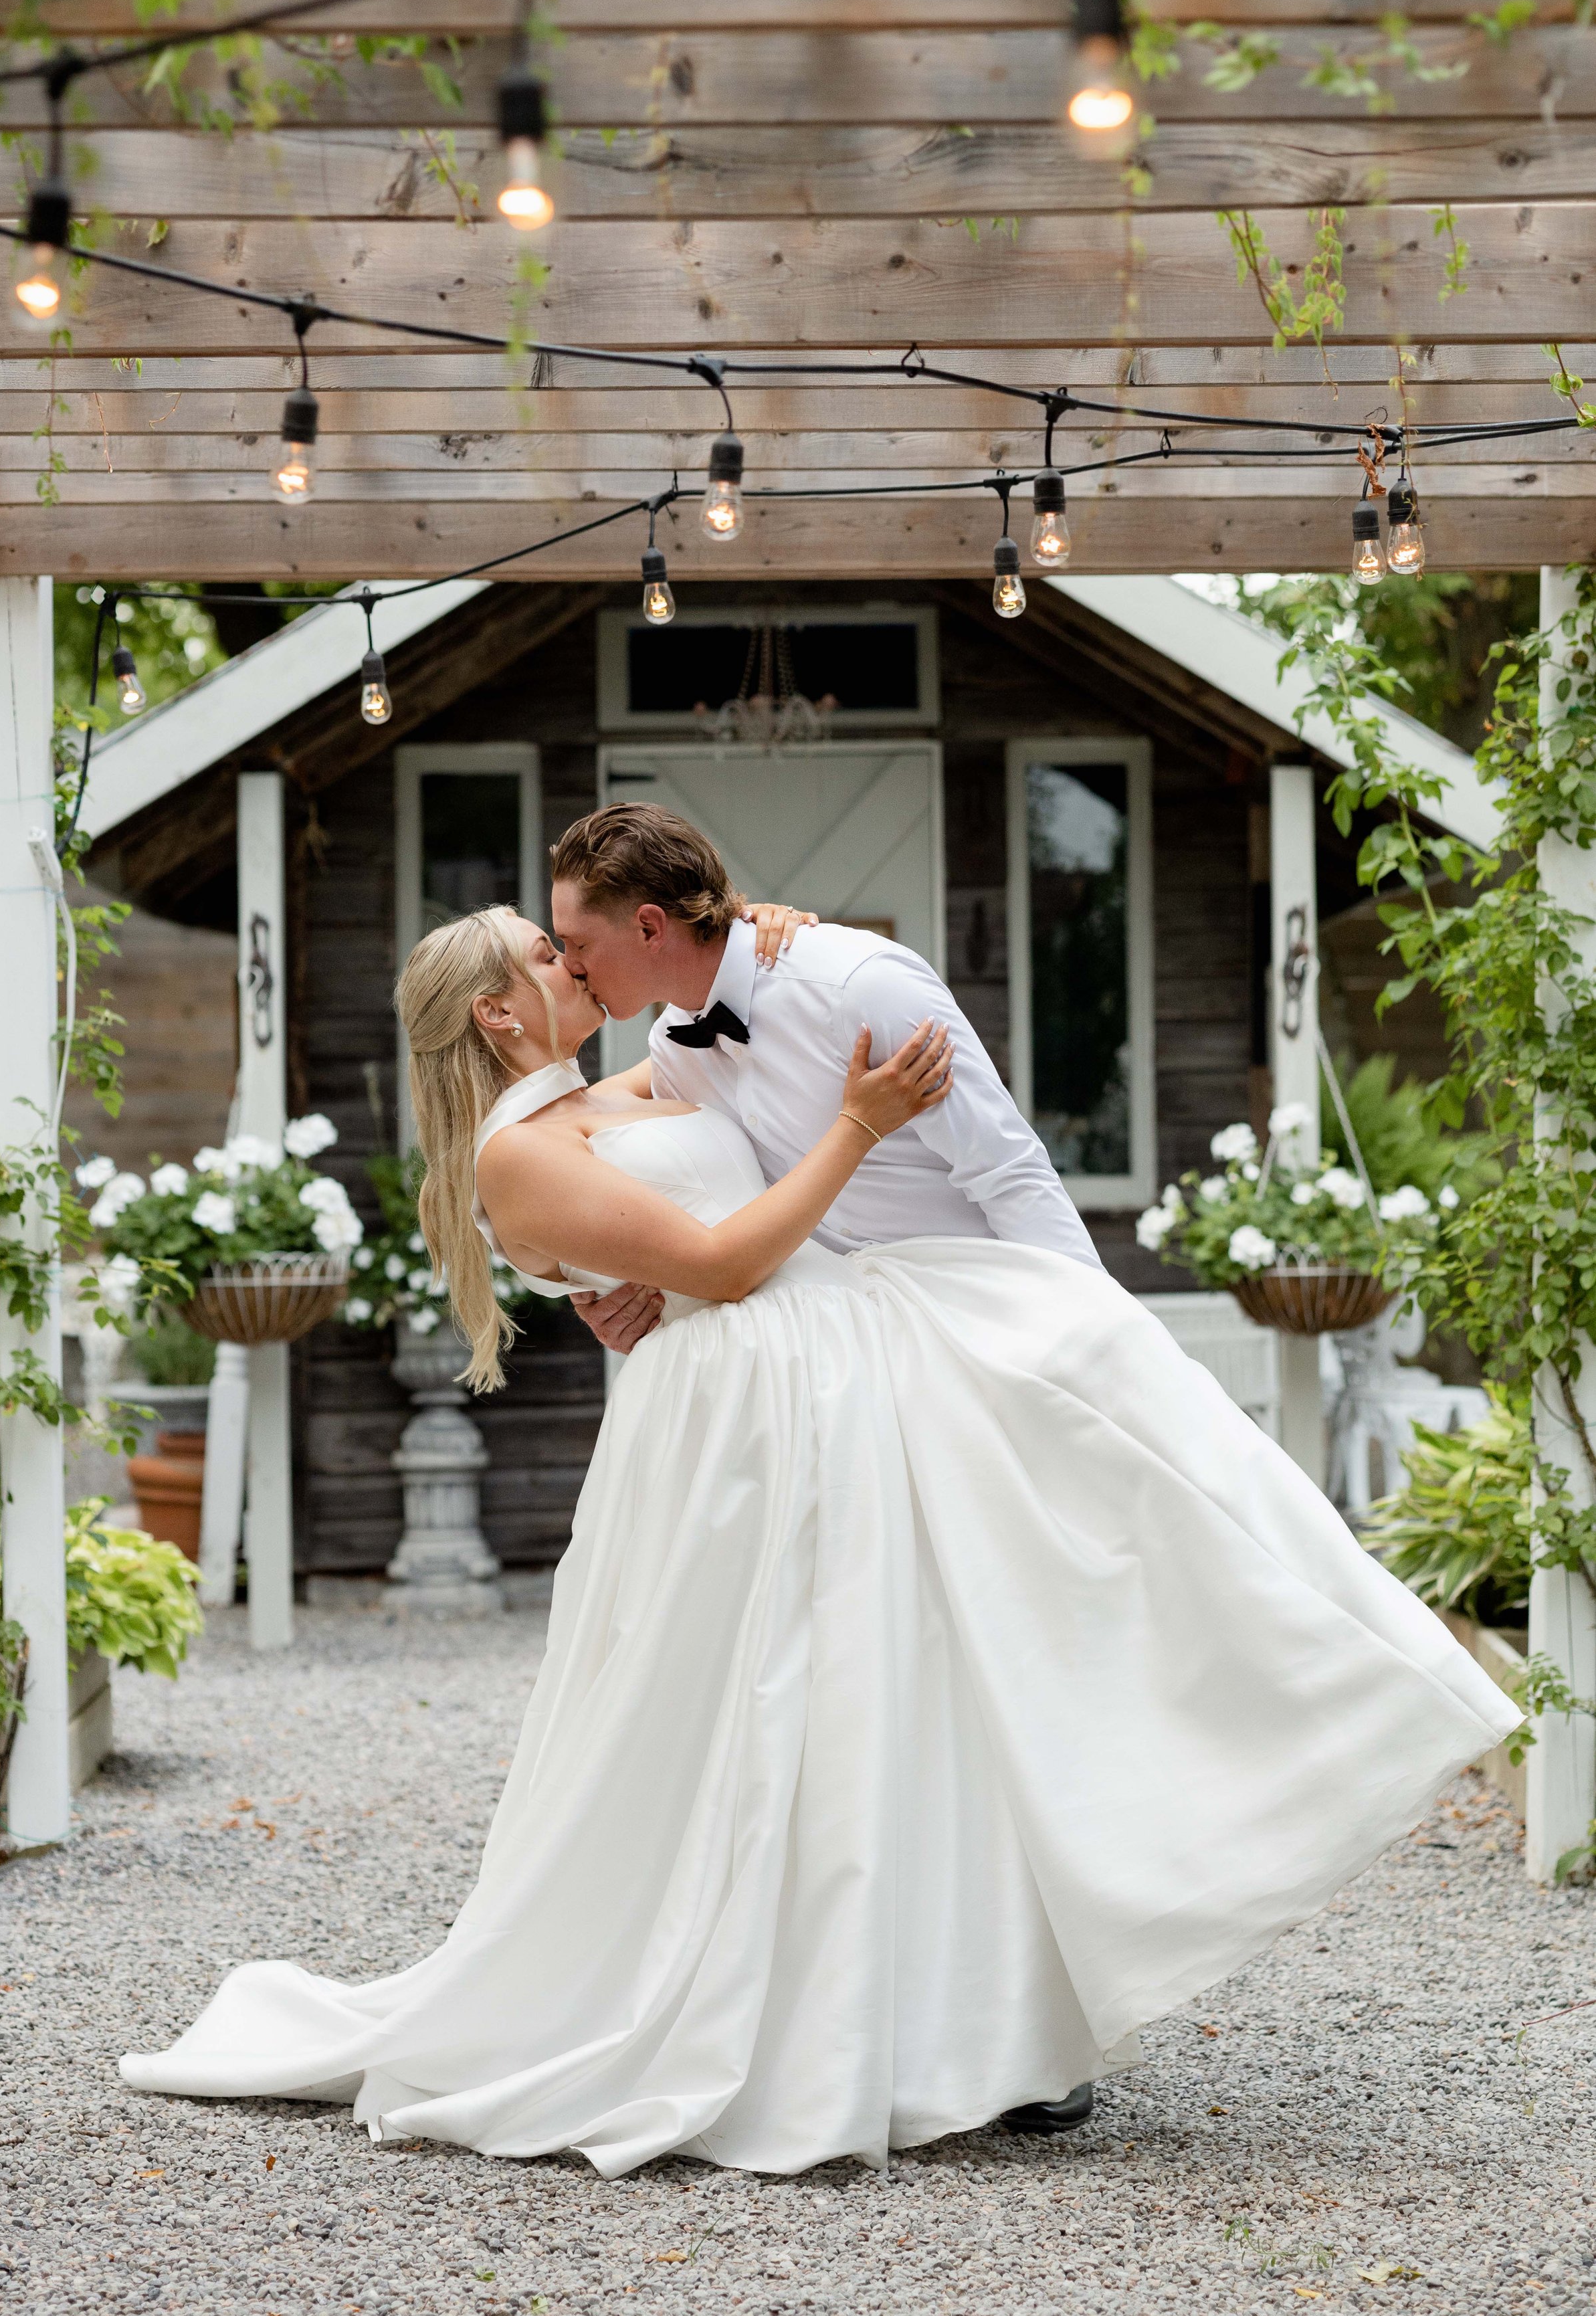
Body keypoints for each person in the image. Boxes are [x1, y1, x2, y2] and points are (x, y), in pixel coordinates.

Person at [122, 897, 1517, 2181]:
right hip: (734, 1432)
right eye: (545, 958)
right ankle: (831, 2017)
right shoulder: (516, 1160)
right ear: (497, 1013)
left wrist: (768, 929)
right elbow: (725, 1263)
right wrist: (855, 1126)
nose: (571, 961)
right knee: (789, 1717)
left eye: (573, 942)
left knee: (928, 1684)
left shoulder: (597, 1091)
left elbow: (704, 1065)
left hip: (828, 1382)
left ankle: (984, 2005)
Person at [549, 804, 1102, 1365]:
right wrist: (624, 1296)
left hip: (982, 1324)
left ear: (649, 926)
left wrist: (1094, 1334)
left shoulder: (860, 986)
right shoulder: (672, 1050)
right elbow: (696, 1212)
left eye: (578, 944)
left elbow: (1007, 1169)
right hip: (839, 1357)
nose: (570, 965)